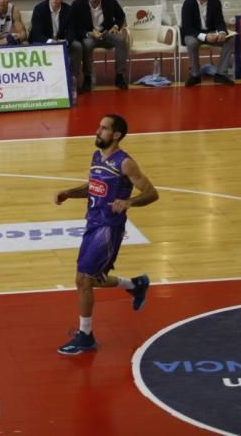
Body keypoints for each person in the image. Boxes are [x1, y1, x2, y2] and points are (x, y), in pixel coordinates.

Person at [53, 114, 157, 355]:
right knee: (91, 278)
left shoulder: (125, 163)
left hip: (108, 228)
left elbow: (152, 193)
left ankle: (86, 336)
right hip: (92, 223)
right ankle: (135, 284)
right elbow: (93, 186)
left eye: (103, 128)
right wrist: (69, 193)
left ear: (117, 135)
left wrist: (129, 202)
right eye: (99, 126)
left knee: (83, 280)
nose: (97, 131)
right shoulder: (98, 156)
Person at [70, 0, 129, 92]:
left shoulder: (110, 0)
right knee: (86, 44)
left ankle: (120, 76)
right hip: (90, 34)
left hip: (107, 33)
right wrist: (88, 34)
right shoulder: (78, 4)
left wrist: (116, 27)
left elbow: (121, 16)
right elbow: (74, 26)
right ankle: (87, 78)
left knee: (121, 40)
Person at [180, 0, 236, 86]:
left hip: (211, 32)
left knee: (230, 39)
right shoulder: (188, 3)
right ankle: (195, 75)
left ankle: (220, 74)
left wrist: (221, 32)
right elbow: (187, 27)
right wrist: (205, 37)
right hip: (194, 33)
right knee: (191, 43)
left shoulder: (215, 3)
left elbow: (220, 22)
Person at [29, 0, 81, 84]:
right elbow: (36, 33)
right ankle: (43, 80)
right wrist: (50, 41)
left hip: (61, 40)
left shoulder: (68, 9)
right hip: (43, 41)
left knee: (77, 46)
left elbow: (72, 30)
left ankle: (74, 78)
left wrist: (66, 41)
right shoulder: (39, 9)